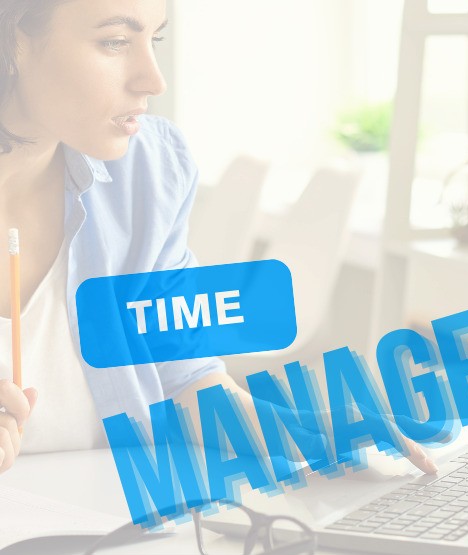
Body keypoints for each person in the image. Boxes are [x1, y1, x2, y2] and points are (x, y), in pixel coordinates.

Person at [0, 0, 436, 476]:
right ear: (15, 39)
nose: (153, 79)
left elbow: (184, 378)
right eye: (115, 42)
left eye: (155, 39)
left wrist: (309, 432)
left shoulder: (145, 172)